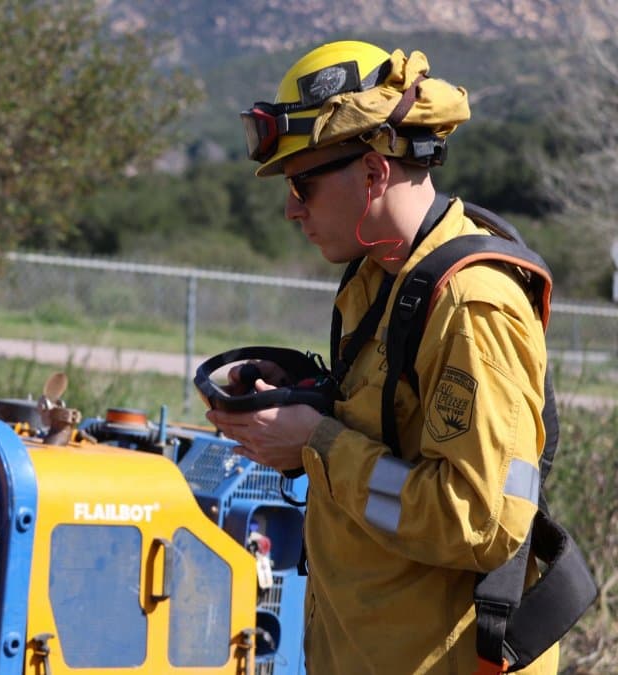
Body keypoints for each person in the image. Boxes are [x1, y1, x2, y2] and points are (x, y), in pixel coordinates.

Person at [207, 41, 557, 674]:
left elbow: (478, 521)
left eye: (303, 184)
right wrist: (306, 401)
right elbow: (390, 434)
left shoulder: (473, 306)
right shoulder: (378, 277)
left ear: (372, 173)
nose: (291, 209)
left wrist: (316, 442)